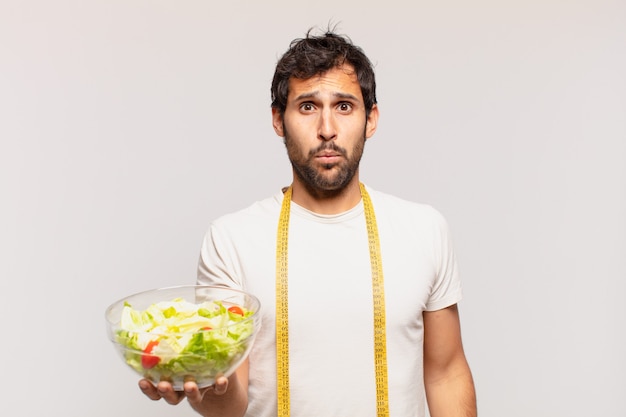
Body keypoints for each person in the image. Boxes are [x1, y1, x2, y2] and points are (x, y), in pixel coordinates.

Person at [139, 28, 477, 417]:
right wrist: (199, 379)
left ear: (371, 119)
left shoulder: (424, 230)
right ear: (278, 121)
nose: (327, 129)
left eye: (345, 106)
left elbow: (446, 373)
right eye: (307, 106)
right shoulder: (232, 239)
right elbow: (229, 404)